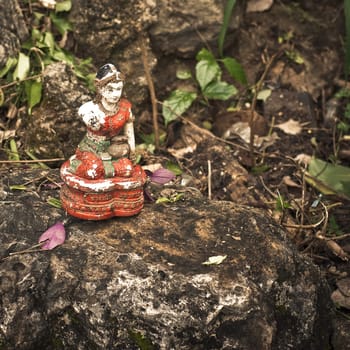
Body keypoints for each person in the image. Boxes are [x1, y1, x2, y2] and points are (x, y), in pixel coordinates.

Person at [68, 63, 136, 180]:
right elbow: (84, 114)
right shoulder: (91, 108)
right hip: (91, 148)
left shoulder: (125, 108)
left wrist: (132, 152)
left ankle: (106, 172)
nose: (115, 94)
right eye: (110, 89)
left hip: (113, 150)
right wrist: (92, 120)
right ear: (100, 88)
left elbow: (129, 129)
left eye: (118, 89)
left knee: (128, 169)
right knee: (92, 172)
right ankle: (76, 163)